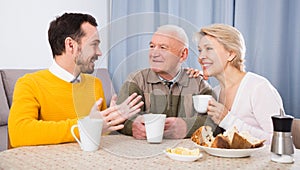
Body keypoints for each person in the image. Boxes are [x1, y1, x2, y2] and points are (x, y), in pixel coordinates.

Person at [8, 13, 144, 148]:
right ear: (70, 45)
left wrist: (115, 121)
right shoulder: (29, 84)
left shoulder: (95, 84)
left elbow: (100, 135)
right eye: (93, 45)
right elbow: (19, 133)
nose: (99, 52)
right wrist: (87, 126)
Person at [117, 25, 222, 139]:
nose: (154, 53)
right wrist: (132, 126)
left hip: (185, 154)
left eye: (163, 47)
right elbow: (118, 118)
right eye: (152, 46)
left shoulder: (198, 84)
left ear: (183, 54)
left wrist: (186, 127)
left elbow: (216, 124)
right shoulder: (136, 80)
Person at [195, 23, 284, 143]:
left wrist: (228, 120)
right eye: (200, 50)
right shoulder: (216, 92)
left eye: (209, 49)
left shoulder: (258, 88)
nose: (201, 57)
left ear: (231, 54)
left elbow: (279, 141)